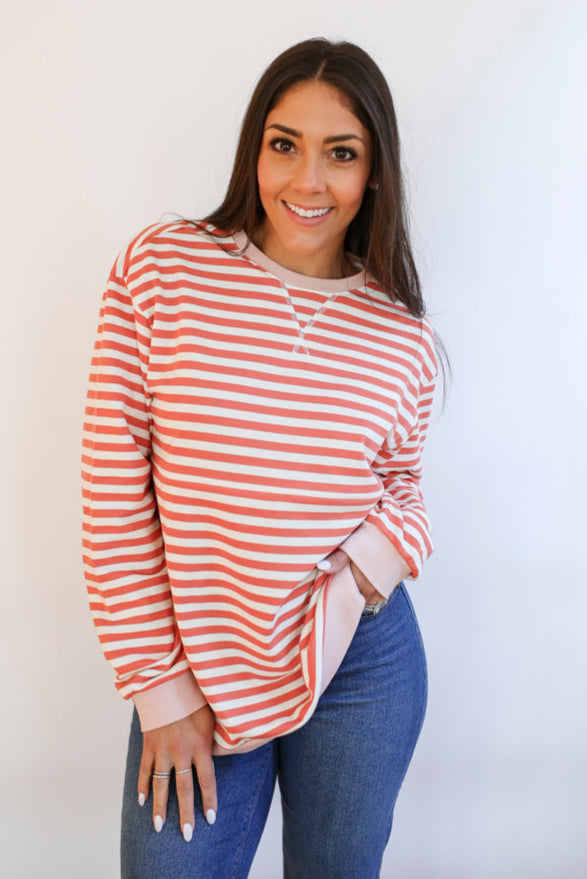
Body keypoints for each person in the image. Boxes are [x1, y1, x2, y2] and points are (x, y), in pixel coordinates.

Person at [82, 37, 438, 879]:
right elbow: (113, 490)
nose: (307, 181)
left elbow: (402, 489)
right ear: (255, 149)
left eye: (340, 153)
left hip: (360, 662)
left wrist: (360, 575)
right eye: (285, 144)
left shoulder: (400, 334)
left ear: (373, 173)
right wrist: (161, 689)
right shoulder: (162, 270)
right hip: (201, 664)